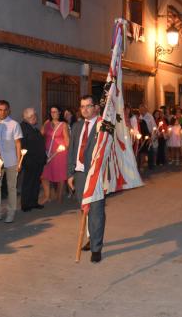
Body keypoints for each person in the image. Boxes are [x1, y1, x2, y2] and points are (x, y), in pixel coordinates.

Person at [67, 95, 103, 263]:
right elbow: (72, 150)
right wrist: (70, 174)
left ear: (95, 107)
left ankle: (96, 248)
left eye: (88, 106)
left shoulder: (103, 126)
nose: (85, 109)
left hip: (95, 174)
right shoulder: (76, 126)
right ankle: (91, 237)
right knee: (84, 209)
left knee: (96, 211)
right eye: (82, 106)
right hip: (80, 174)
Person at [0, 100, 23, 223]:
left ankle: (11, 212)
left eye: (5, 109)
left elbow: (18, 144)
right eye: (0, 109)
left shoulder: (14, 124)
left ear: (9, 110)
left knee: (11, 188)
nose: (2, 112)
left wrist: (19, 162)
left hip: (12, 161)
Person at [41, 106, 70, 204]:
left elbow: (67, 141)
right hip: (47, 152)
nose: (54, 114)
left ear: (59, 113)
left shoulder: (63, 124)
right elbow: (41, 135)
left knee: (60, 175)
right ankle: (47, 196)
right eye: (52, 112)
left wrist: (64, 148)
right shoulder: (47, 123)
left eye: (56, 112)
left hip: (59, 153)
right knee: (44, 175)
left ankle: (59, 196)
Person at [19, 108, 46, 212]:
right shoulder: (23, 128)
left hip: (37, 161)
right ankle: (25, 204)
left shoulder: (33, 128)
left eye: (35, 116)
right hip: (29, 161)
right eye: (33, 116)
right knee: (28, 183)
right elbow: (23, 145)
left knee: (35, 182)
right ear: (27, 117)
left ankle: (33, 202)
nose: (35, 118)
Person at [139, 104, 156, 169]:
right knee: (142, 151)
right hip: (141, 135)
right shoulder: (139, 117)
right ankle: (141, 165)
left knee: (150, 150)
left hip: (149, 134)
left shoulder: (150, 117)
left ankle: (151, 165)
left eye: (143, 109)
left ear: (146, 109)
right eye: (140, 109)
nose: (141, 111)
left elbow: (153, 127)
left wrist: (152, 137)